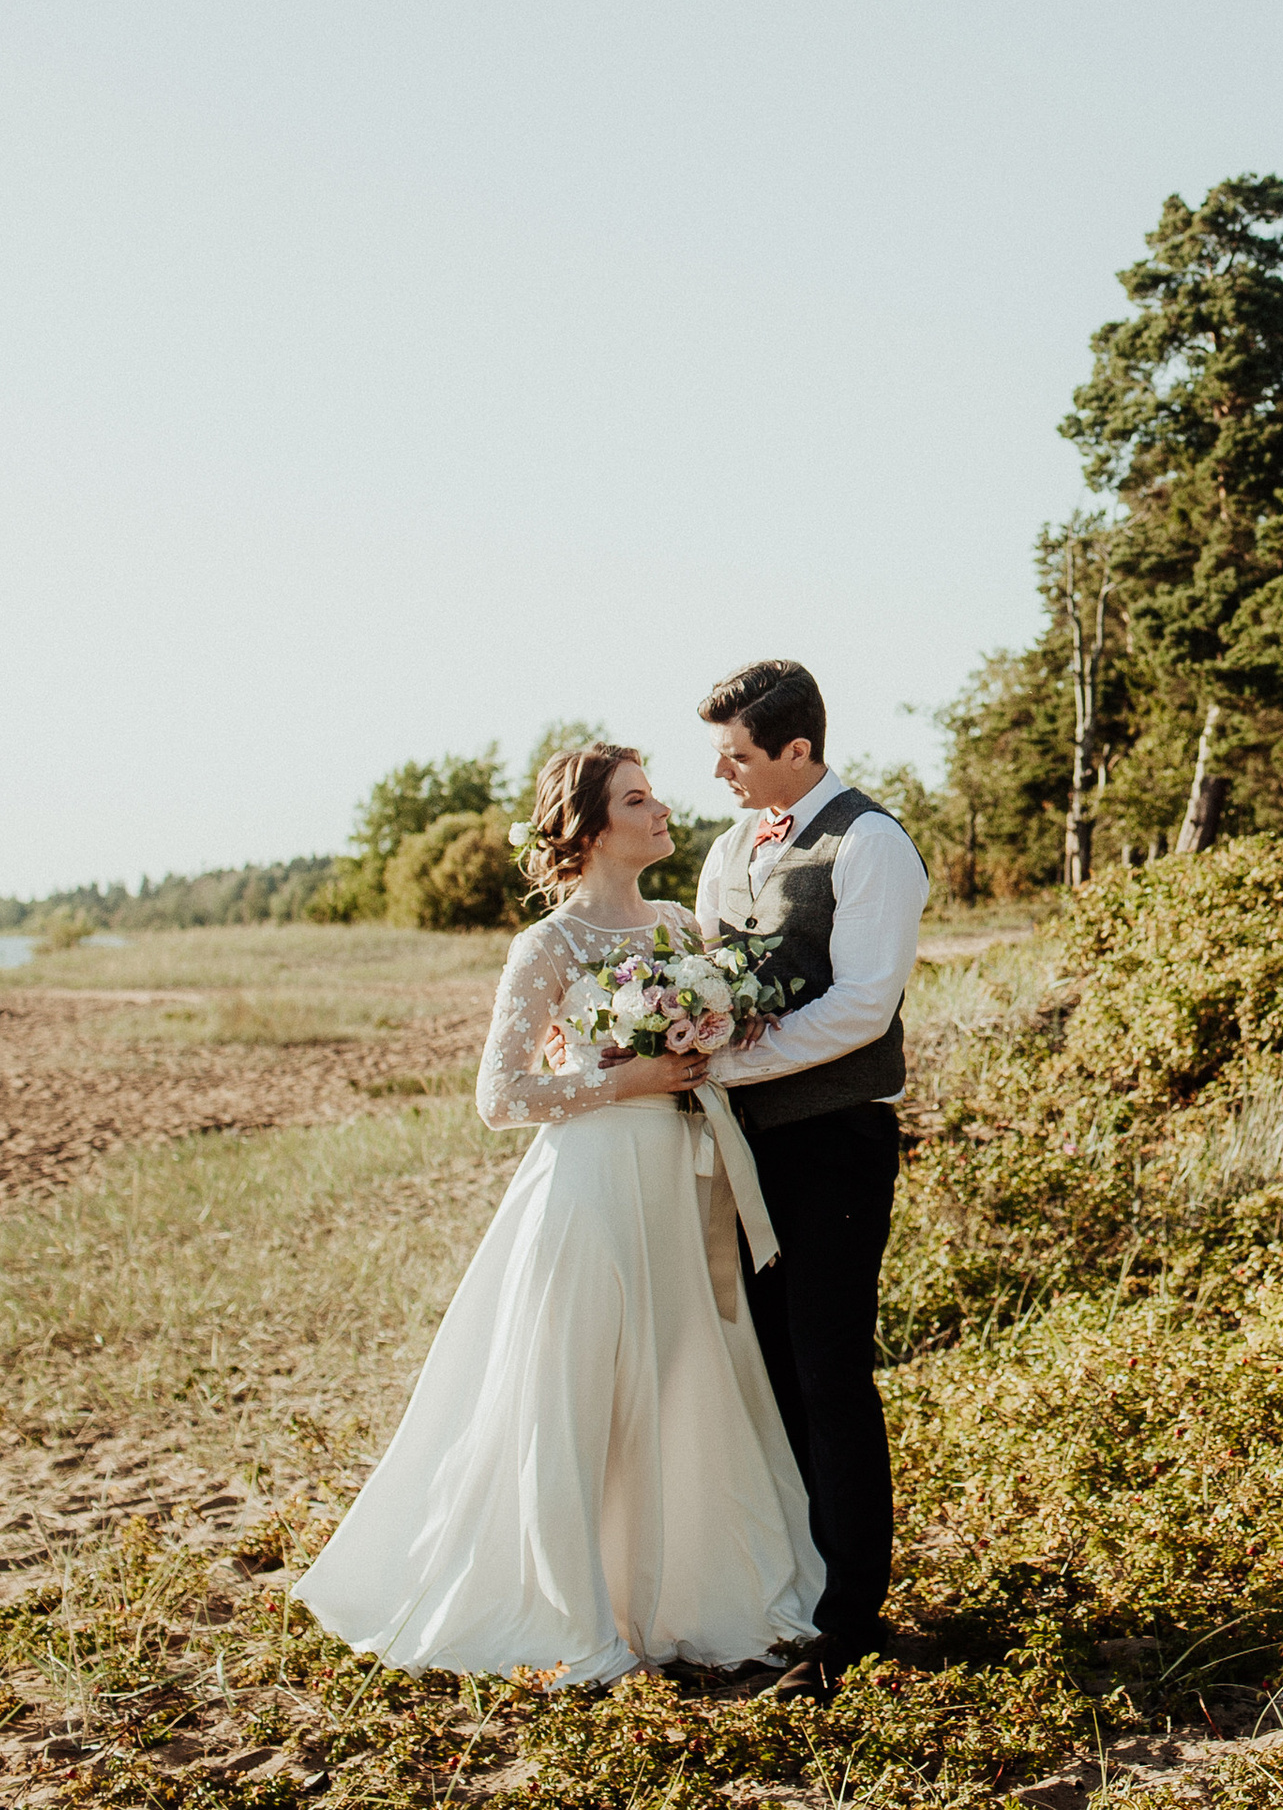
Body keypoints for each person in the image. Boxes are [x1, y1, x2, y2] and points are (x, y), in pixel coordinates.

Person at [293, 744, 822, 1683]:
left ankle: (691, 1595)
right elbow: (501, 1096)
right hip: (588, 1184)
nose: (661, 809)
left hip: (677, 1179)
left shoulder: (677, 926)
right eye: (637, 798)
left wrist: (712, 1031)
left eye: (654, 794)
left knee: (685, 1374)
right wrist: (631, 1079)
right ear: (588, 828)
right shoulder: (547, 946)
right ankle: (578, 1616)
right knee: (580, 1390)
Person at [692, 659, 927, 1698]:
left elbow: (861, 1008)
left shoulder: (872, 842)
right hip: (742, 1146)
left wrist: (726, 1060)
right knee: (770, 1369)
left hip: (834, 1142)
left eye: (737, 753)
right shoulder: (730, 845)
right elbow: (706, 971)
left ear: (798, 750)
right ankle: (793, 1582)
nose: (720, 770)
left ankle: (850, 1616)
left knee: (829, 1372)